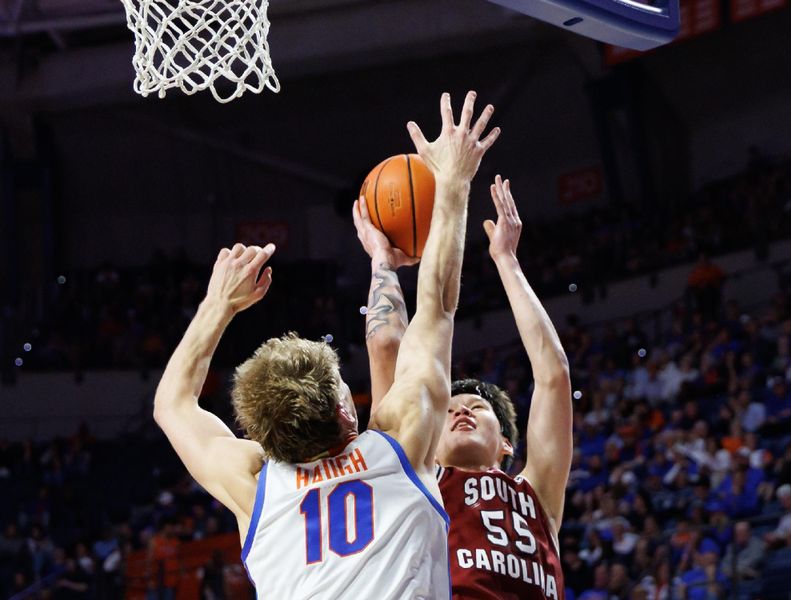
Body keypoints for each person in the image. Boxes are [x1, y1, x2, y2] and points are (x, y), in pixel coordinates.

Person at [153, 90, 500, 599]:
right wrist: (452, 183)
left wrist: (216, 306)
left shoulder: (256, 485)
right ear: (344, 408)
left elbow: (171, 404)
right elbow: (437, 307)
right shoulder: (397, 443)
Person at [356, 176, 571, 599]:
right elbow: (386, 347)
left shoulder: (537, 495)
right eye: (450, 409)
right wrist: (381, 259)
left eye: (477, 406)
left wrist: (506, 259)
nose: (460, 411)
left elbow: (554, 373)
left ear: (506, 445)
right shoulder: (415, 477)